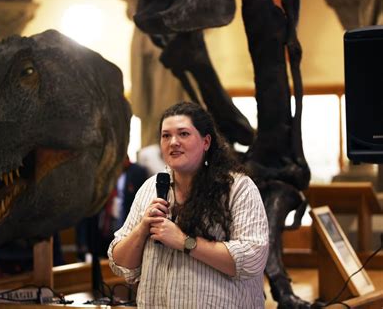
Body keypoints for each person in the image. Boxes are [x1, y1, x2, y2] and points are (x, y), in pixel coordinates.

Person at [108, 102, 269, 308]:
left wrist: (185, 242)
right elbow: (120, 266)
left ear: (206, 142)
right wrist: (142, 228)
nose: (173, 142)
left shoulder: (237, 188)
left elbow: (252, 259)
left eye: (183, 134)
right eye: (166, 136)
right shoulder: (151, 187)